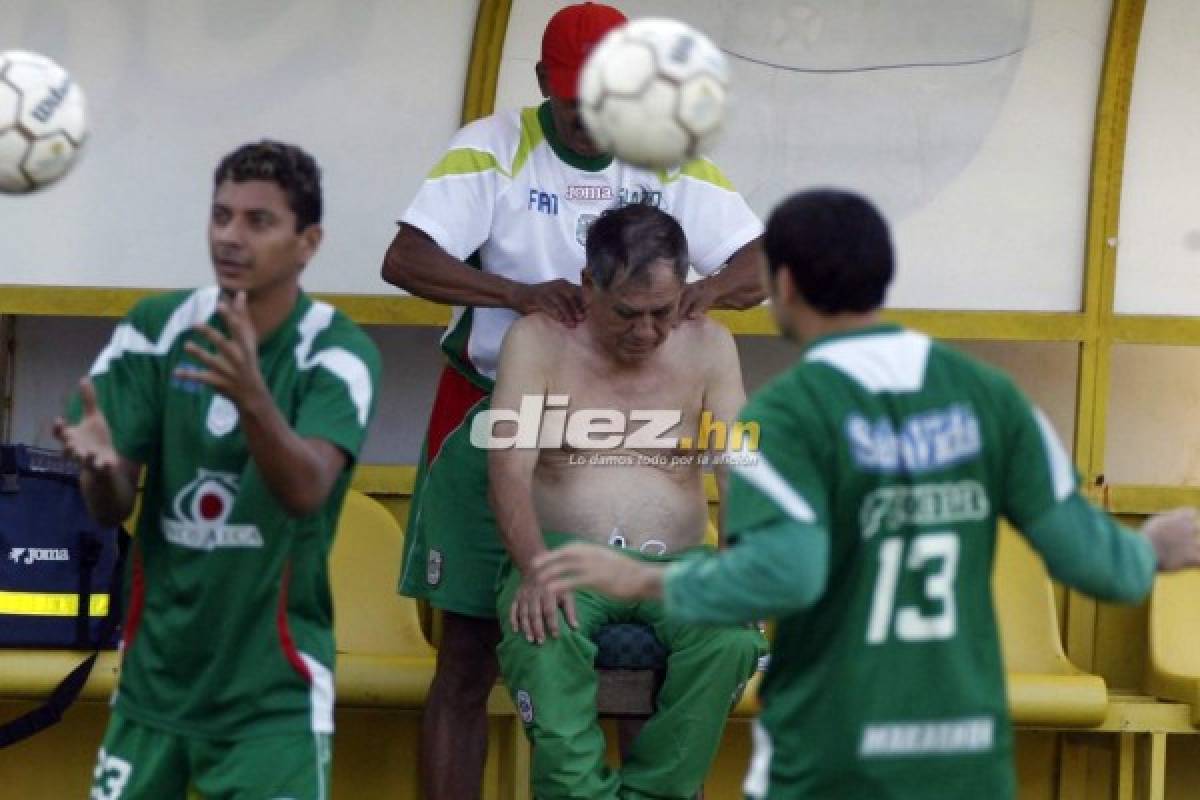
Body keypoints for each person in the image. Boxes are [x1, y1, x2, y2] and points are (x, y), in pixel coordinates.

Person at [534, 189, 1200, 799]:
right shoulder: (989, 398)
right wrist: (1155, 547)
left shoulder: (794, 417)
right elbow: (1096, 563)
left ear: (784, 286)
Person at [380, 3, 765, 795]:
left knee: (643, 657)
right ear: (541, 83)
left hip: (630, 422)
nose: (589, 119)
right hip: (495, 407)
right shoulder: (494, 145)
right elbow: (405, 256)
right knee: (466, 656)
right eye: (570, 99)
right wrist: (515, 291)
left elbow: (767, 263)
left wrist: (704, 292)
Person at [57, 141, 381, 800]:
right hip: (154, 686)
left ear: (307, 242)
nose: (231, 237)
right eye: (221, 215)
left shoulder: (338, 350)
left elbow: (306, 491)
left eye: (258, 221)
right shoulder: (155, 329)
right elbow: (110, 506)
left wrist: (253, 399)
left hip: (274, 699)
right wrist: (99, 469)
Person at [487, 203, 766, 799]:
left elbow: (737, 468)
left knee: (733, 636)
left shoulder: (711, 346)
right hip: (563, 558)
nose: (645, 332)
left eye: (662, 312)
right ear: (589, 285)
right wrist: (534, 567)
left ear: (685, 290)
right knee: (542, 630)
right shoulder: (537, 342)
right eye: (626, 314)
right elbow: (508, 468)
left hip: (682, 561)